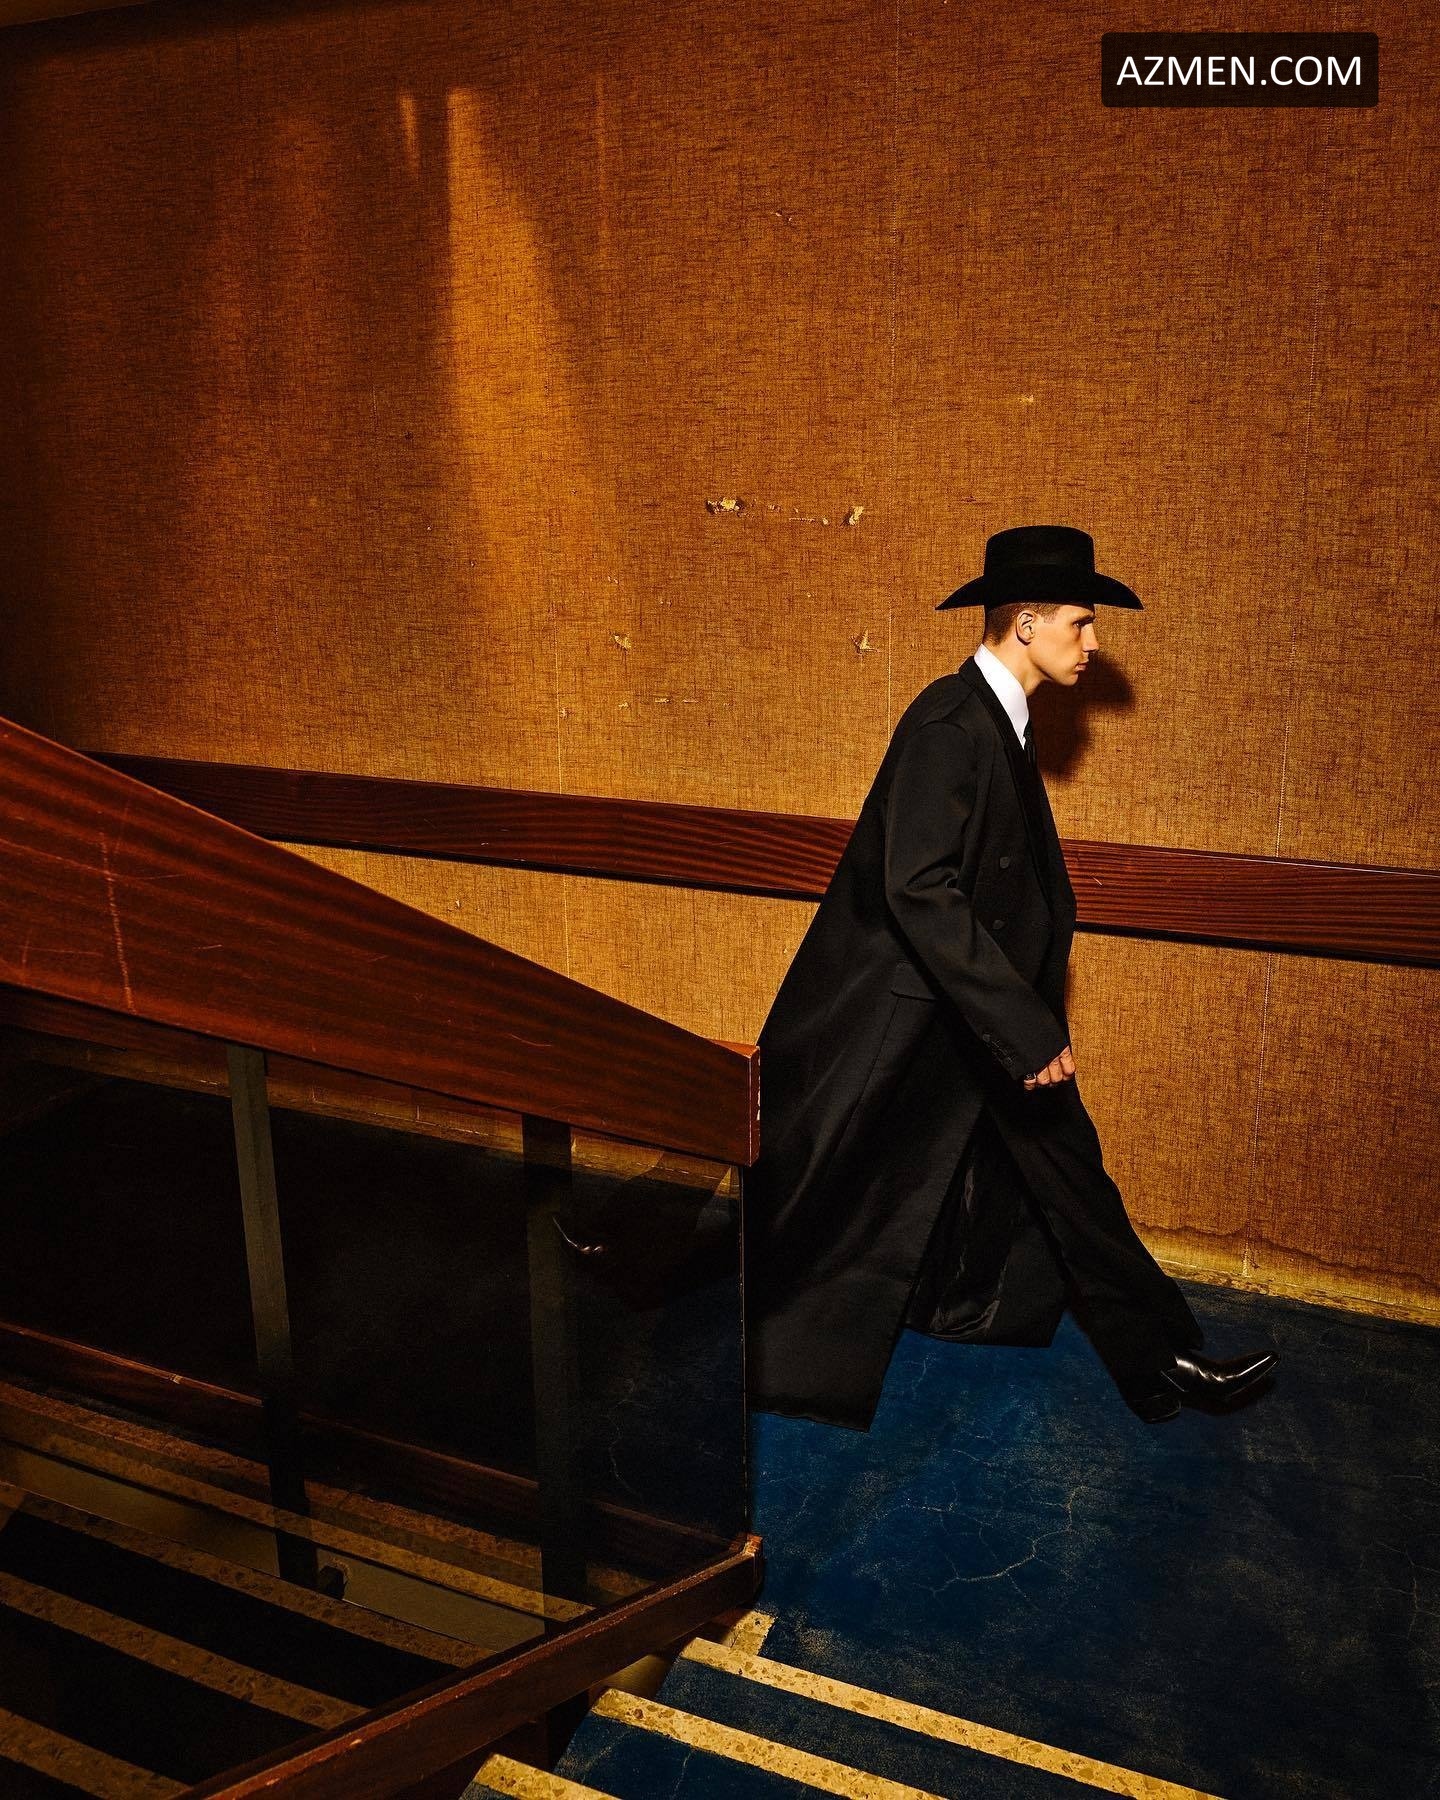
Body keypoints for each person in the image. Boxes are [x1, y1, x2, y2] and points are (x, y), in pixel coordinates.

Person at [744, 524, 1278, 1428]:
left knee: (1069, 1172)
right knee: (809, 1185)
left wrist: (1020, 1016)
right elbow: (918, 887)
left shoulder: (1001, 723)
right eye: (1081, 622)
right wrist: (1023, 1027)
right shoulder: (949, 723)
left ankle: (1164, 1359)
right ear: (1026, 624)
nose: (1093, 643)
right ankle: (677, 1305)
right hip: (912, 1018)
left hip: (975, 1013)